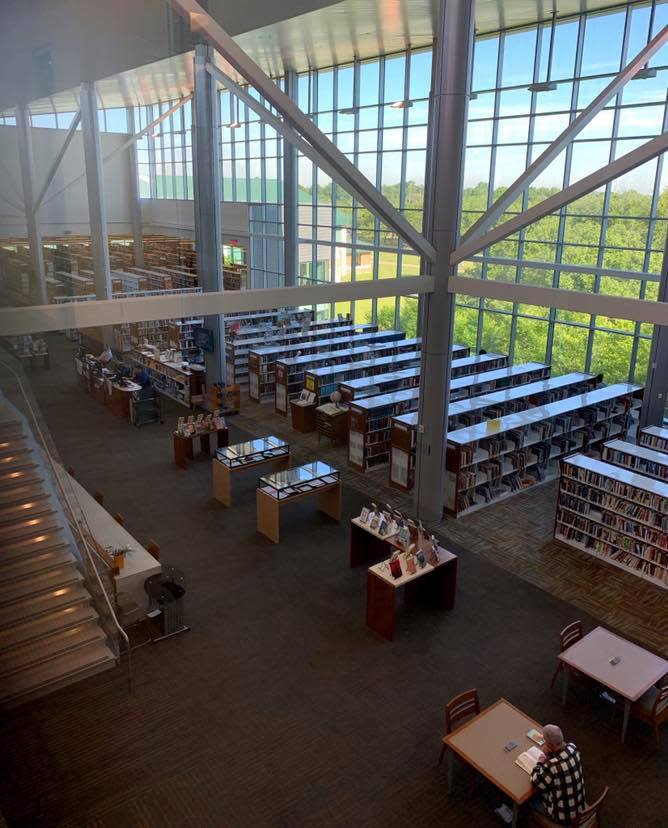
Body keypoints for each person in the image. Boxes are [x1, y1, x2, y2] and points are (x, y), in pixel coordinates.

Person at [530, 724, 586, 825]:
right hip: (580, 808)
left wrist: (540, 763)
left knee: (531, 800)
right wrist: (549, 753)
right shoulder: (573, 747)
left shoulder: (553, 765)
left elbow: (535, 781)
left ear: (550, 745)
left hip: (562, 816)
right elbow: (560, 756)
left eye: (545, 742)